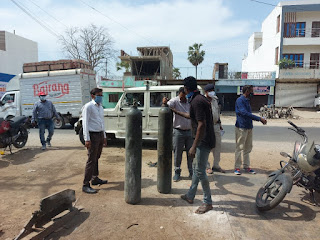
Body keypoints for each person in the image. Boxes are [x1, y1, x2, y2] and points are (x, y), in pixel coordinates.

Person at [172, 76, 215, 214]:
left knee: (200, 171)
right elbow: (193, 116)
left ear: (186, 89)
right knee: (197, 168)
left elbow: (201, 124)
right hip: (204, 139)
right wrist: (176, 112)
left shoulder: (196, 101)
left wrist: (193, 146)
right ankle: (190, 195)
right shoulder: (199, 99)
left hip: (203, 140)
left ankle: (207, 202)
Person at [234, 85, 267, 175]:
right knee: (239, 148)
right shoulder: (240, 100)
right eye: (252, 91)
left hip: (249, 127)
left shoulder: (247, 100)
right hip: (241, 126)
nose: (253, 93)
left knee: (248, 148)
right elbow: (244, 113)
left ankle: (246, 166)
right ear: (247, 91)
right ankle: (237, 167)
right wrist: (259, 119)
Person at [162, 87, 193, 182]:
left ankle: (191, 172)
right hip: (178, 131)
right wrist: (164, 102)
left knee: (191, 153)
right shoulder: (175, 101)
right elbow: (166, 106)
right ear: (179, 94)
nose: (184, 97)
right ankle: (177, 172)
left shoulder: (189, 101)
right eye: (183, 95)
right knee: (177, 153)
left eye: (186, 95)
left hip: (189, 131)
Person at [82, 88, 108, 194]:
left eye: (101, 95)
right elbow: (85, 124)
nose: (100, 97)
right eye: (99, 95)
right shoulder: (88, 107)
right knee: (91, 159)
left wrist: (104, 136)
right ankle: (85, 184)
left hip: (100, 134)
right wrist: (87, 139)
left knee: (97, 157)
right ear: (93, 96)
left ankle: (94, 178)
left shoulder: (100, 107)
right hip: (92, 135)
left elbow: (102, 122)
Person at [203, 84, 225, 174]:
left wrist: (220, 123)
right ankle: (207, 166)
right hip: (207, 126)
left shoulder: (215, 99)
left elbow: (217, 112)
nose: (212, 92)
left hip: (216, 125)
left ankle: (216, 165)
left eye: (213, 90)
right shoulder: (203, 100)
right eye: (210, 90)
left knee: (218, 146)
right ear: (206, 92)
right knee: (207, 146)